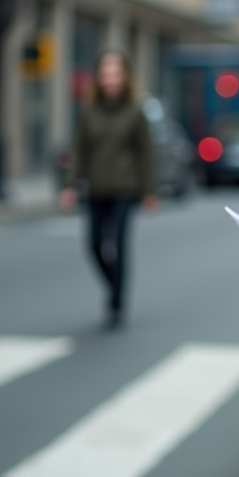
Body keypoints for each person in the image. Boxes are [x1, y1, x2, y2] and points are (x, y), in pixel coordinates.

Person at [60, 50, 159, 328]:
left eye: (116, 74)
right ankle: (112, 286)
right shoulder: (89, 111)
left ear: (124, 77)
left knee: (117, 244)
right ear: (99, 78)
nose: (111, 79)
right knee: (93, 246)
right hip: (96, 188)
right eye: (106, 74)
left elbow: (146, 153)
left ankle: (117, 301)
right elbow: (80, 150)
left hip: (125, 189)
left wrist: (151, 191)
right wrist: (69, 186)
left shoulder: (135, 111)